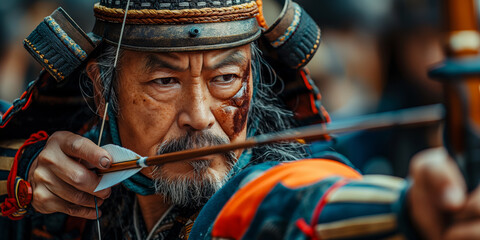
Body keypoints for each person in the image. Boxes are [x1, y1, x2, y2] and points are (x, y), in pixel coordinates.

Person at [0, 0, 479, 239]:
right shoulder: (75, 184)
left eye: (226, 77)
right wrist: (21, 176)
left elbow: (289, 204)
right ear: (104, 92)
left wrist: (407, 211)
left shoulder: (264, 181)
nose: (200, 116)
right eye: (164, 82)